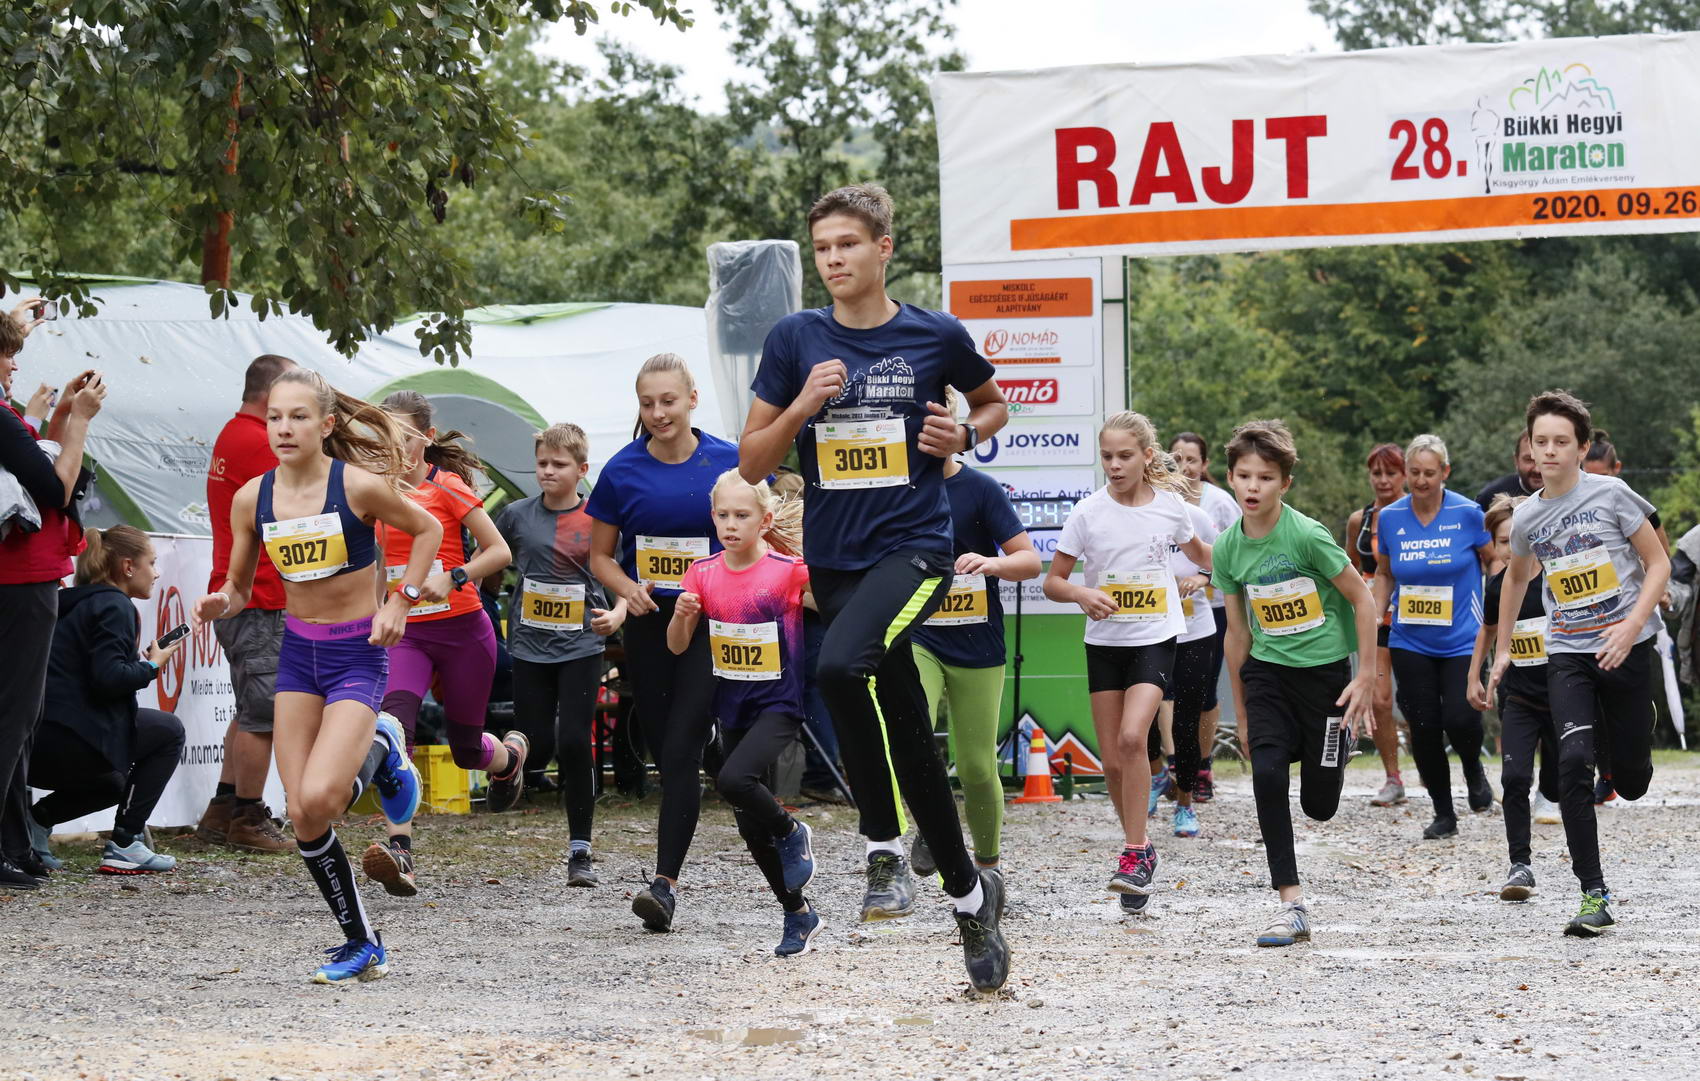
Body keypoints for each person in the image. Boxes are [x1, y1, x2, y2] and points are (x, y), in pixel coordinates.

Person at [738, 183, 1012, 992]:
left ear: (883, 247)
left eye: (848, 244)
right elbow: (752, 461)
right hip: (836, 559)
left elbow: (993, 406)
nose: (834, 260)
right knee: (907, 727)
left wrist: (964, 432)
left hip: (916, 548)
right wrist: (802, 405)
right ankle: (971, 899)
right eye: (822, 248)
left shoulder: (934, 333)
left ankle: (883, 848)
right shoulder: (795, 339)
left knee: (837, 667)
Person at [193, 367, 439, 983]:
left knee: (324, 797)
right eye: (275, 417)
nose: (283, 428)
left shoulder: (355, 485)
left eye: (298, 417)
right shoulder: (253, 498)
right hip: (298, 657)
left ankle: (384, 747)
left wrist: (401, 601)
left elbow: (428, 529)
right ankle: (363, 943)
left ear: (326, 425)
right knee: (304, 814)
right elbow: (239, 587)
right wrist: (220, 602)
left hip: (357, 653)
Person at [1489, 390, 1670, 937]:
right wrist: (1502, 649)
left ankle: (1628, 738)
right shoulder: (1527, 516)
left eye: (1561, 442)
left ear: (1582, 447)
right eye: (1540, 442)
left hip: (1627, 646)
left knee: (1632, 783)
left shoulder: (1611, 494)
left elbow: (1658, 563)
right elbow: (1515, 579)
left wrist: (1632, 625)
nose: (1549, 452)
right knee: (1571, 763)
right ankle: (1594, 892)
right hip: (1567, 650)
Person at [1211, 419, 1378, 948]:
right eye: (1244, 476)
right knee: (1266, 774)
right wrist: (1241, 712)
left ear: (1284, 483)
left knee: (1319, 806)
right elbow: (1237, 634)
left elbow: (1363, 599)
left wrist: (1366, 675)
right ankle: (1291, 903)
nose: (1253, 487)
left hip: (1326, 677)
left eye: (1265, 477)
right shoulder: (1227, 549)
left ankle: (1336, 746)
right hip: (1268, 674)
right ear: (1230, 479)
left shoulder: (1307, 536)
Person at [586, 354, 739, 926]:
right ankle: (719, 749)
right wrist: (628, 589)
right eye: (647, 403)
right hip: (649, 624)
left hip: (711, 623)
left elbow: (760, 532)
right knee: (665, 744)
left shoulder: (729, 461)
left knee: (678, 755)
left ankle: (664, 885)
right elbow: (600, 557)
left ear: (692, 399)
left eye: (668, 401)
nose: (657, 413)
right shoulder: (621, 470)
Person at [1045, 412, 1211, 914]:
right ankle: (1139, 848)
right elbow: (1053, 582)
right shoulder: (1088, 513)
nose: (1114, 466)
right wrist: (1081, 594)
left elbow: (1206, 556)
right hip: (1104, 643)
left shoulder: (1171, 509)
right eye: (1107, 457)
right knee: (1114, 762)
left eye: (1124, 456)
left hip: (1155, 637)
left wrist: (1229, 566)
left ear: (1146, 456)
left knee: (1133, 737)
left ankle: (1134, 852)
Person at [360, 392, 524, 898]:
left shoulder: (447, 486)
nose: (395, 446)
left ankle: (509, 758)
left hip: (463, 631)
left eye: (404, 436)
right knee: (395, 733)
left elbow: (500, 552)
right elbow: (378, 563)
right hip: (407, 634)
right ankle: (400, 852)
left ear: (426, 438)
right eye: (385, 435)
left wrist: (454, 577)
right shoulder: (375, 492)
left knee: (466, 750)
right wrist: (376, 609)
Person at [665, 469, 821, 954]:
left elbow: (832, 606)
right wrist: (682, 616)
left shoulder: (788, 570)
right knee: (749, 825)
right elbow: (676, 647)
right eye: (723, 515)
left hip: (779, 703)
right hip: (732, 705)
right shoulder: (702, 573)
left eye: (742, 515)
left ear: (764, 520)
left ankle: (792, 830)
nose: (731, 525)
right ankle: (797, 913)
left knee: (733, 780)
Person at [0, 301, 103, 889]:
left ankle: (15, 843)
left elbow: (27, 462)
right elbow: (54, 489)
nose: (15, 364)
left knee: (23, 718)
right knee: (12, 718)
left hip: (28, 577)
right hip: (20, 581)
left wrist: (59, 413)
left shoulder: (9, 419)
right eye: (9, 353)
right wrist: (79, 421)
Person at [496, 422, 623, 889]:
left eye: (559, 464)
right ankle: (508, 772)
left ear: (581, 470)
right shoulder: (515, 516)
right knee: (535, 742)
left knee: (573, 740)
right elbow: (493, 557)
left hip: (581, 646)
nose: (548, 471)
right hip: (529, 645)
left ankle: (580, 851)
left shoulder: (598, 520)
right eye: (542, 463)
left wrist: (619, 613)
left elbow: (620, 575)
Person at [907, 450, 1041, 876]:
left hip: (977, 642)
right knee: (912, 733)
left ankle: (988, 868)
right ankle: (935, 819)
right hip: (918, 635)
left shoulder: (980, 488)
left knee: (977, 768)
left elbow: (1030, 561)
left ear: (955, 430)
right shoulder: (897, 488)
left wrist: (994, 563)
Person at [29, 527, 186, 874]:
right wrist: (151, 666)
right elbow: (108, 680)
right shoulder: (115, 605)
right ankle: (126, 843)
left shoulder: (74, 601)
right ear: (128, 567)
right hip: (67, 743)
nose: (156, 573)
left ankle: (34, 822)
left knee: (115, 782)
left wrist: (136, 666)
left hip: (34, 743)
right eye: (152, 563)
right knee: (169, 731)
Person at [196, 354, 297, 855]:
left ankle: (224, 808)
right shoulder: (258, 443)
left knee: (250, 708)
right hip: (258, 596)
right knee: (265, 714)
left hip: (243, 594)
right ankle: (249, 818)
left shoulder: (234, 434)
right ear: (272, 394)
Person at [1372, 434, 1495, 841]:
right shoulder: (1391, 517)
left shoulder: (1468, 513)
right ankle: (1444, 812)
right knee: (1423, 726)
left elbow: (1493, 561)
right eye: (1415, 473)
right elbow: (1385, 572)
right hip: (1410, 639)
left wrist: (1499, 609)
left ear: (1445, 472)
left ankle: (1473, 768)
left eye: (1429, 473)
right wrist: (1375, 614)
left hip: (1463, 638)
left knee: (1461, 718)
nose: (1421, 481)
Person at [1466, 495, 1558, 902]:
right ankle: (1520, 863)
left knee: (1561, 779)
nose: (1509, 549)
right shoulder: (1498, 586)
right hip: (1519, 696)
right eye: (1501, 542)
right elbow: (1488, 629)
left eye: (1515, 538)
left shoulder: (1555, 578)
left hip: (1563, 696)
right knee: (1515, 778)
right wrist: (1474, 675)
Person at [1169, 432, 1238, 801]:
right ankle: (1173, 764)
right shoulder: (1160, 502)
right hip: (1167, 609)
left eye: (1191, 459)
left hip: (1213, 608)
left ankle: (1203, 766)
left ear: (1205, 464)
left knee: (1203, 691)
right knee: (1166, 690)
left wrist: (1205, 578)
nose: (1184, 467)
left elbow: (1235, 551)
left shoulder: (1219, 502)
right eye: (1176, 459)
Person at [1346, 443, 1407, 807]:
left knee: (1418, 700)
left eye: (1391, 473)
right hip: (1377, 619)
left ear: (1404, 475)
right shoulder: (1360, 520)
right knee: (1381, 700)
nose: (1383, 480)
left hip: (1418, 618)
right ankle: (1393, 777)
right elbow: (1350, 569)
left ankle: (1438, 765)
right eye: (1377, 473)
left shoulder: (1416, 512)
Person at [1475, 430, 1544, 512]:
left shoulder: (1559, 498)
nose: (1537, 470)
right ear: (1516, 460)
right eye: (1529, 460)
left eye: (1544, 460)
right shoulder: (1489, 497)